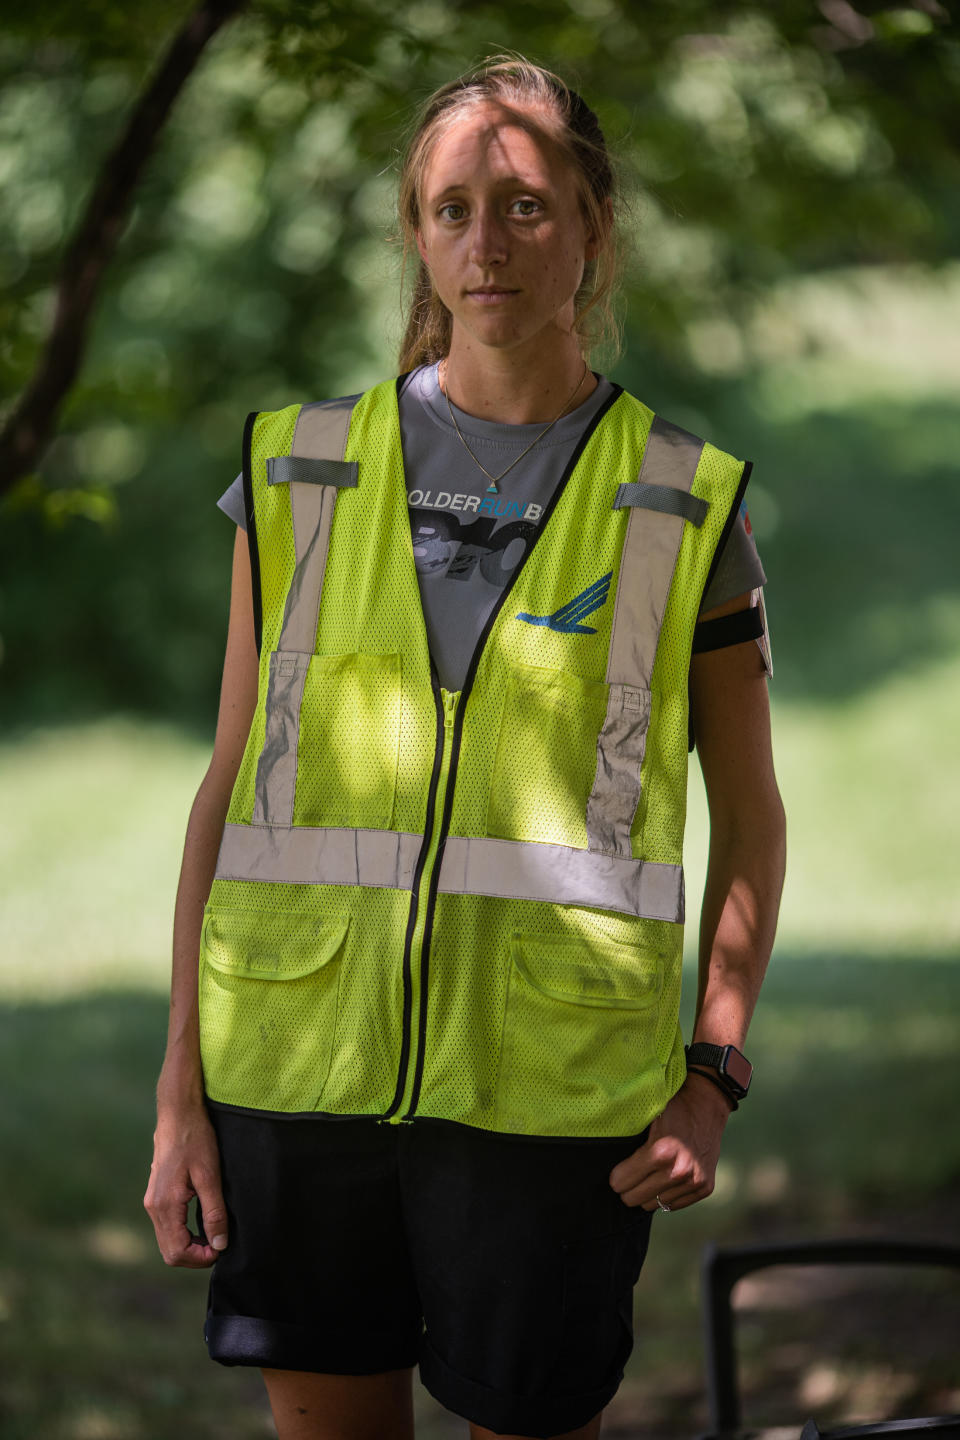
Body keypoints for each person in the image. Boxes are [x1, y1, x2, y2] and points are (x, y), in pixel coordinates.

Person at [145, 56, 786, 1440]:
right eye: (449, 209)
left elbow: (752, 814)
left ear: (596, 226)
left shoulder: (683, 508)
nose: (483, 245)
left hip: (551, 1101)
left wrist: (713, 1069)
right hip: (293, 1072)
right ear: (414, 237)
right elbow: (228, 791)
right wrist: (179, 1089)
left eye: (524, 206)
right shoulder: (298, 473)